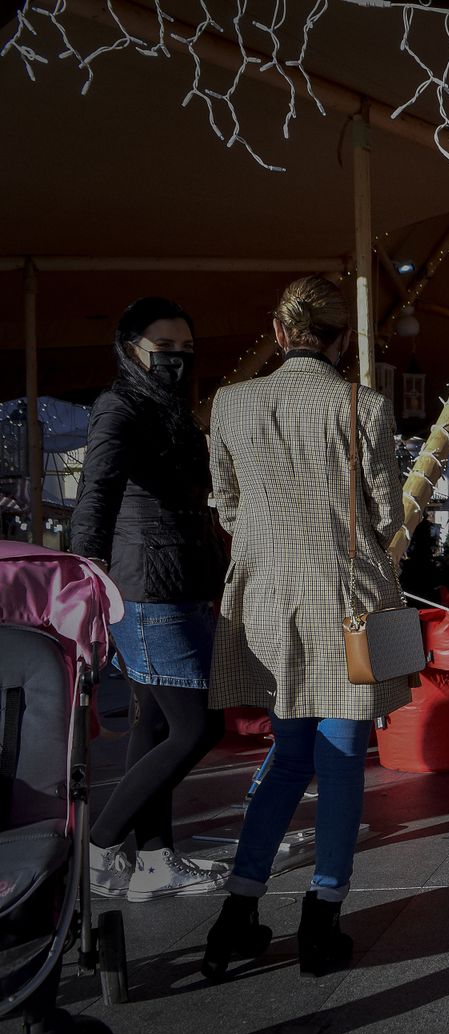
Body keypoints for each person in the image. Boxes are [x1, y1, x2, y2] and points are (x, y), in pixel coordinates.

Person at [200, 276, 409, 981]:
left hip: (265, 599)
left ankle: (237, 910)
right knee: (343, 753)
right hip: (346, 595)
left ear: (280, 331)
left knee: (289, 753)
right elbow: (385, 512)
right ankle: (322, 917)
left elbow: (224, 505)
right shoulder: (362, 403)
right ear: (341, 339)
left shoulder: (230, 402)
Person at [72, 297, 230, 903]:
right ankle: (102, 842)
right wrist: (88, 575)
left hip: (182, 580)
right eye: (164, 350)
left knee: (157, 724)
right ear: (130, 348)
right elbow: (97, 493)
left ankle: (157, 860)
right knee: (198, 727)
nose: (176, 362)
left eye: (186, 352)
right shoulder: (119, 405)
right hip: (148, 589)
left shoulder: (171, 408)